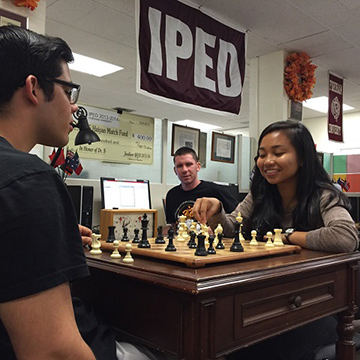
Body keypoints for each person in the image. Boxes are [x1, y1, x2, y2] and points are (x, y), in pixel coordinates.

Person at [192, 120, 359, 360]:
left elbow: (345, 237)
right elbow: (231, 229)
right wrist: (217, 210)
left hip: (313, 300)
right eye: (262, 155)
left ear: (302, 157)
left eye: (278, 153)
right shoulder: (260, 194)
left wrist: (286, 235)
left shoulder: (323, 195)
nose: (267, 161)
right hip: (266, 295)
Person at [165, 146, 237, 228]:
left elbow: (237, 218)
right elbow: (173, 226)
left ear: (198, 166)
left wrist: (216, 229)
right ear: (175, 170)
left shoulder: (216, 191)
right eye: (180, 166)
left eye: (189, 164)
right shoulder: (171, 195)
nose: (184, 170)